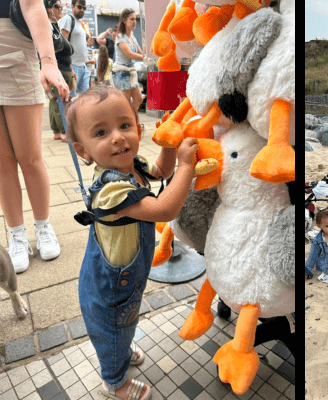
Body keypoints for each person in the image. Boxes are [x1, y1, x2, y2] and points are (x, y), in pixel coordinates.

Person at [65, 85, 199, 400]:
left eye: (125, 125)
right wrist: (188, 168)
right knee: (111, 334)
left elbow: (163, 171)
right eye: (101, 132)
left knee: (123, 326)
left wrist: (168, 144)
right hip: (108, 289)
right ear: (83, 150)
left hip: (126, 284)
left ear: (138, 129)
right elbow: (165, 209)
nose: (118, 137)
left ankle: (121, 347)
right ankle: (115, 383)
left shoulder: (132, 166)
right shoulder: (110, 190)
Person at [0, 0, 69, 273]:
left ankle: (43, 225)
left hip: (15, 43)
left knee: (29, 157)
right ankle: (16, 233)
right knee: (2, 163)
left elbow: (31, 4)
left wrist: (48, 61)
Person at [46, 0, 74, 142]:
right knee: (59, 101)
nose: (60, 9)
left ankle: (57, 132)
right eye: (57, 6)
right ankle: (63, 132)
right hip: (56, 69)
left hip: (63, 67)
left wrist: (71, 68)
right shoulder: (47, 25)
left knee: (55, 102)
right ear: (49, 8)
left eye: (61, 7)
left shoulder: (54, 26)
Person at [113, 9, 144, 111]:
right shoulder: (120, 37)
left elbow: (140, 52)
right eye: (132, 19)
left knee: (138, 99)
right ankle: (127, 122)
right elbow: (130, 54)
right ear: (124, 21)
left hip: (131, 72)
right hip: (122, 73)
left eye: (135, 19)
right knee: (124, 103)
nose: (134, 22)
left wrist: (150, 57)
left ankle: (131, 120)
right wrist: (147, 58)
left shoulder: (132, 37)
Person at [59, 0, 90, 97]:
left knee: (85, 99)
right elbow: (63, 45)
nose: (82, 10)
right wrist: (69, 67)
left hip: (83, 67)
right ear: (72, 6)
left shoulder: (80, 23)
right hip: (73, 67)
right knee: (69, 100)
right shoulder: (68, 19)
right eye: (79, 7)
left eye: (84, 8)